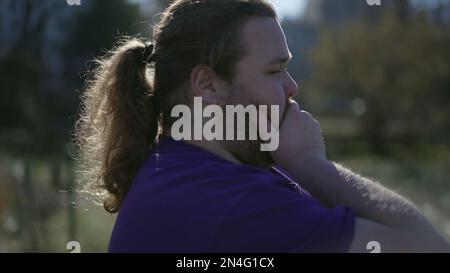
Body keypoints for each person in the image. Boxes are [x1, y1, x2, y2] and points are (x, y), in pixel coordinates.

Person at [75, 0, 450, 252]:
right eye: (274, 71)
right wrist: (310, 163)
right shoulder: (230, 202)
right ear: (207, 84)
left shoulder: (185, 170)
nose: (292, 87)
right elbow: (427, 245)